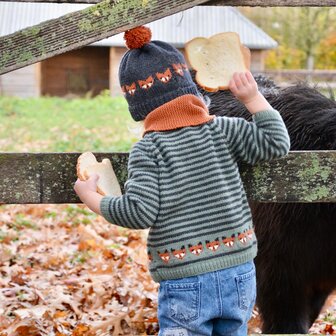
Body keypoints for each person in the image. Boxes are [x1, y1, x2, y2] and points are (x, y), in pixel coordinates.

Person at [74, 26, 290, 336]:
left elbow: (139, 212)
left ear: (138, 107)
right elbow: (275, 142)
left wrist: (91, 197)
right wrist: (253, 98)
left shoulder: (149, 150)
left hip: (185, 276)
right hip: (239, 270)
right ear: (187, 84)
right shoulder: (223, 130)